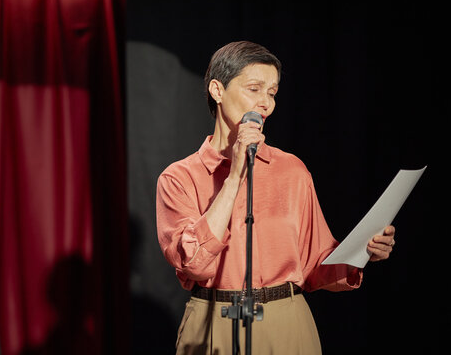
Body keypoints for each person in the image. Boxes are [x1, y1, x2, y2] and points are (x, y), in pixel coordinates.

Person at [155, 41, 396, 354]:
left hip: (286, 319)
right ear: (217, 90)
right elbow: (195, 265)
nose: (265, 103)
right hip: (215, 320)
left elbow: (315, 265)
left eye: (272, 92)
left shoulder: (291, 170)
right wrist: (234, 177)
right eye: (254, 88)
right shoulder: (179, 177)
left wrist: (362, 251)